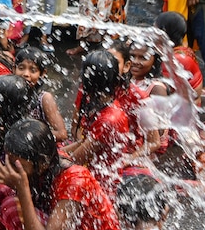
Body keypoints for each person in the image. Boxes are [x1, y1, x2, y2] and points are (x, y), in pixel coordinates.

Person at [0, 119, 121, 230]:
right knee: (0, 190)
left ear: (43, 163)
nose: (10, 170)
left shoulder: (75, 180)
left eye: (17, 166)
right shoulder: (48, 160)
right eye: (9, 163)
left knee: (11, 208)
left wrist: (22, 189)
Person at [64, 50, 149, 194]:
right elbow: (82, 142)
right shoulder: (103, 105)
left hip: (98, 189)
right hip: (94, 173)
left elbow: (75, 160)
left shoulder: (109, 119)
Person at [14, 46, 67, 142]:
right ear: (14, 69)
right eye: (21, 68)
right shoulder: (8, 93)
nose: (26, 74)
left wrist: (29, 133)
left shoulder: (44, 98)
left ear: (42, 74)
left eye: (33, 70)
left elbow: (62, 134)